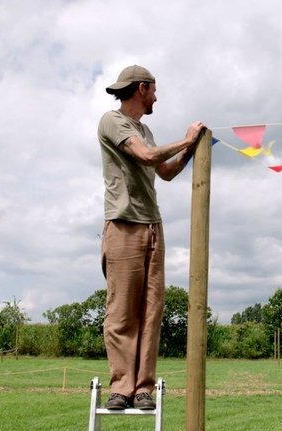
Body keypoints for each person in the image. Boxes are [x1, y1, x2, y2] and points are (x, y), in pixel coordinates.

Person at [98, 65, 205, 410]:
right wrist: (186, 138)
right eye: (154, 90)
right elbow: (144, 156)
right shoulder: (113, 122)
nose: (157, 97)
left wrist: (191, 149)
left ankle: (143, 388)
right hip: (124, 225)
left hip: (152, 227)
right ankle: (121, 386)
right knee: (122, 311)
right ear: (142, 88)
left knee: (151, 310)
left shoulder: (145, 129)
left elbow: (166, 171)